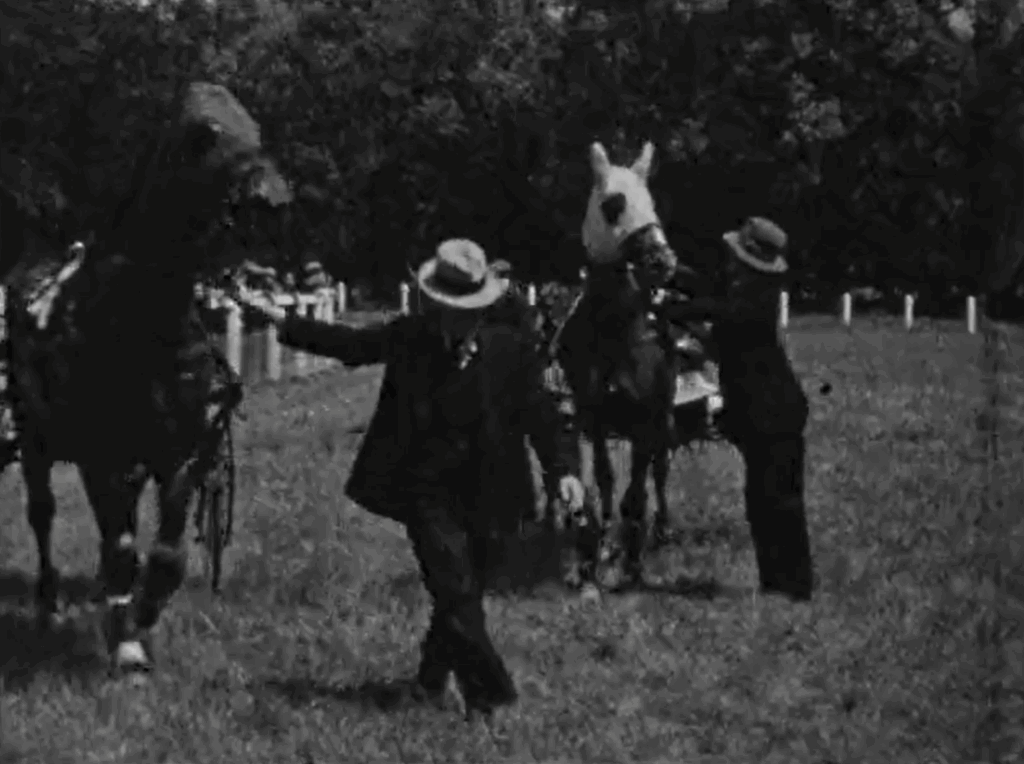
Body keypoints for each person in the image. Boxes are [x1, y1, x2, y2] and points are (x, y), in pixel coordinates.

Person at [238, 239, 586, 714]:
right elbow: (351, 346)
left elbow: (541, 415)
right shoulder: (411, 337)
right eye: (453, 311)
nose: (461, 321)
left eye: (471, 311)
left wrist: (564, 471)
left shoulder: (512, 349)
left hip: (493, 490)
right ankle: (490, 697)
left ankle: (428, 683)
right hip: (427, 490)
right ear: (438, 305)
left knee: (463, 593)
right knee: (455, 590)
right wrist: (281, 320)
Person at [661, 217, 814, 601]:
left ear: (747, 262)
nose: (728, 262)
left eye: (734, 257)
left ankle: (794, 587)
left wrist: (680, 311)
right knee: (762, 502)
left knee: (779, 501)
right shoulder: (746, 292)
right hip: (761, 414)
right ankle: (777, 584)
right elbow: (717, 324)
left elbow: (723, 317)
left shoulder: (755, 301)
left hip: (773, 413)